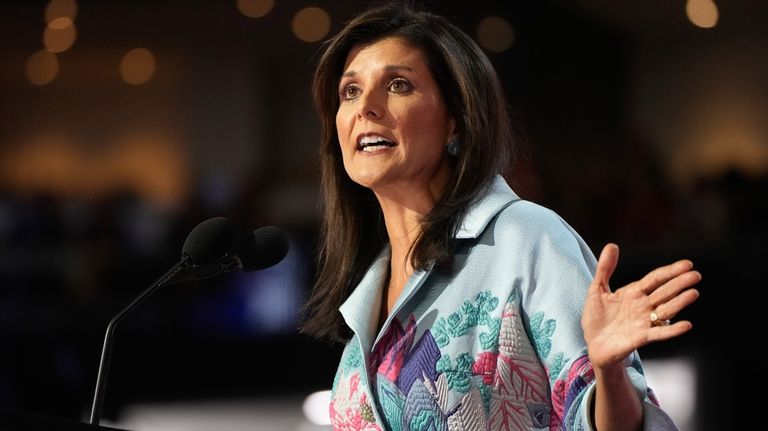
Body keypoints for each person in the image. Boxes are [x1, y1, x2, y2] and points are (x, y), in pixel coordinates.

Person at [301, 2, 701, 430]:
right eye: (350, 91)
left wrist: (609, 373)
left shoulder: (527, 239)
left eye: (398, 85)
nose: (366, 107)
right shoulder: (368, 289)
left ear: (455, 120)